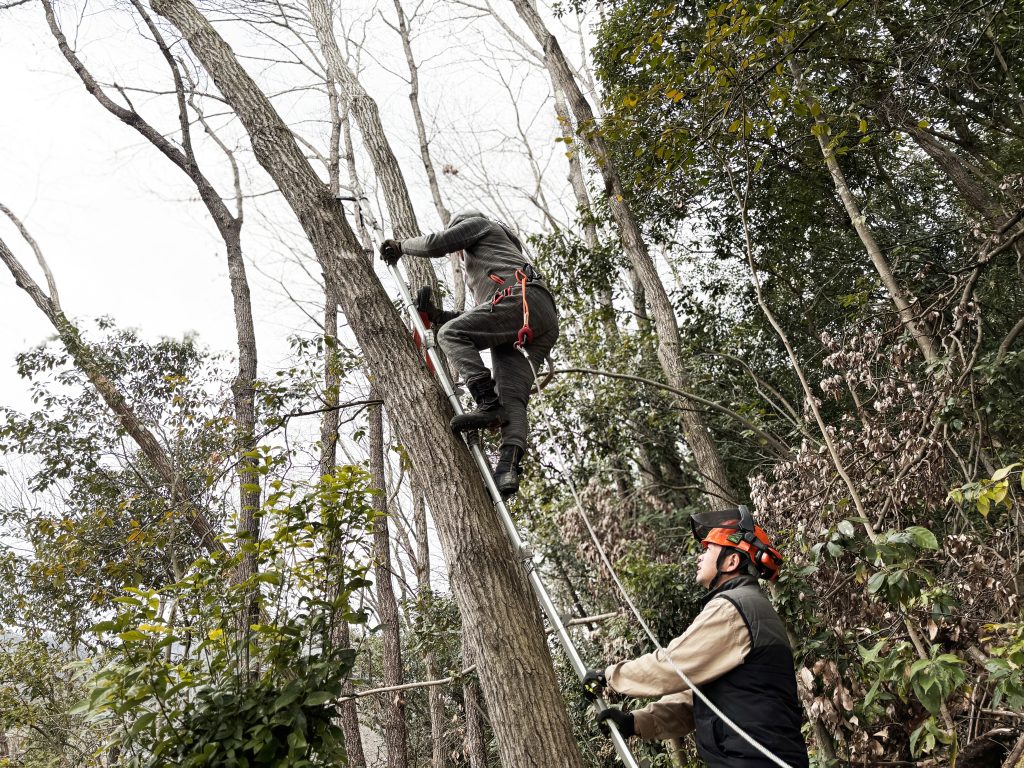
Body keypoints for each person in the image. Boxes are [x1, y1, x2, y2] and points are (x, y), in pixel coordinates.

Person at [583, 507, 809, 768]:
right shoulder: (748, 605)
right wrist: (636, 722)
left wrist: (610, 676)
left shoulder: (733, 608)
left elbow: (671, 665)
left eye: (708, 550)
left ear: (731, 562)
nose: (699, 558)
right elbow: (701, 701)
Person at [379, 210, 558, 499]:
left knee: (449, 334)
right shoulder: (497, 260)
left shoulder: (479, 225)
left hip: (521, 300)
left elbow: (436, 244)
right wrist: (437, 315)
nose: (461, 253)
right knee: (512, 396)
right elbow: (483, 320)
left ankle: (487, 403)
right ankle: (507, 469)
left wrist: (400, 246)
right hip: (536, 316)